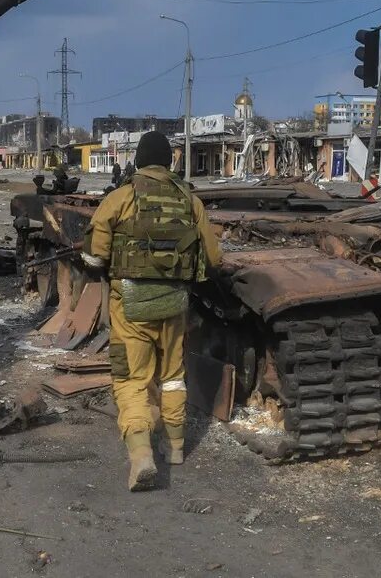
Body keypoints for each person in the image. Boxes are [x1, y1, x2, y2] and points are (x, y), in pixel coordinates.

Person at [81, 131, 220, 491]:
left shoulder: (121, 197)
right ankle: (174, 447)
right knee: (173, 375)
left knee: (132, 380)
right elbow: (215, 258)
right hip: (174, 304)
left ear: (138, 161)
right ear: (169, 162)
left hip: (130, 306)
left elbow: (95, 256)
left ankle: (141, 455)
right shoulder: (189, 199)